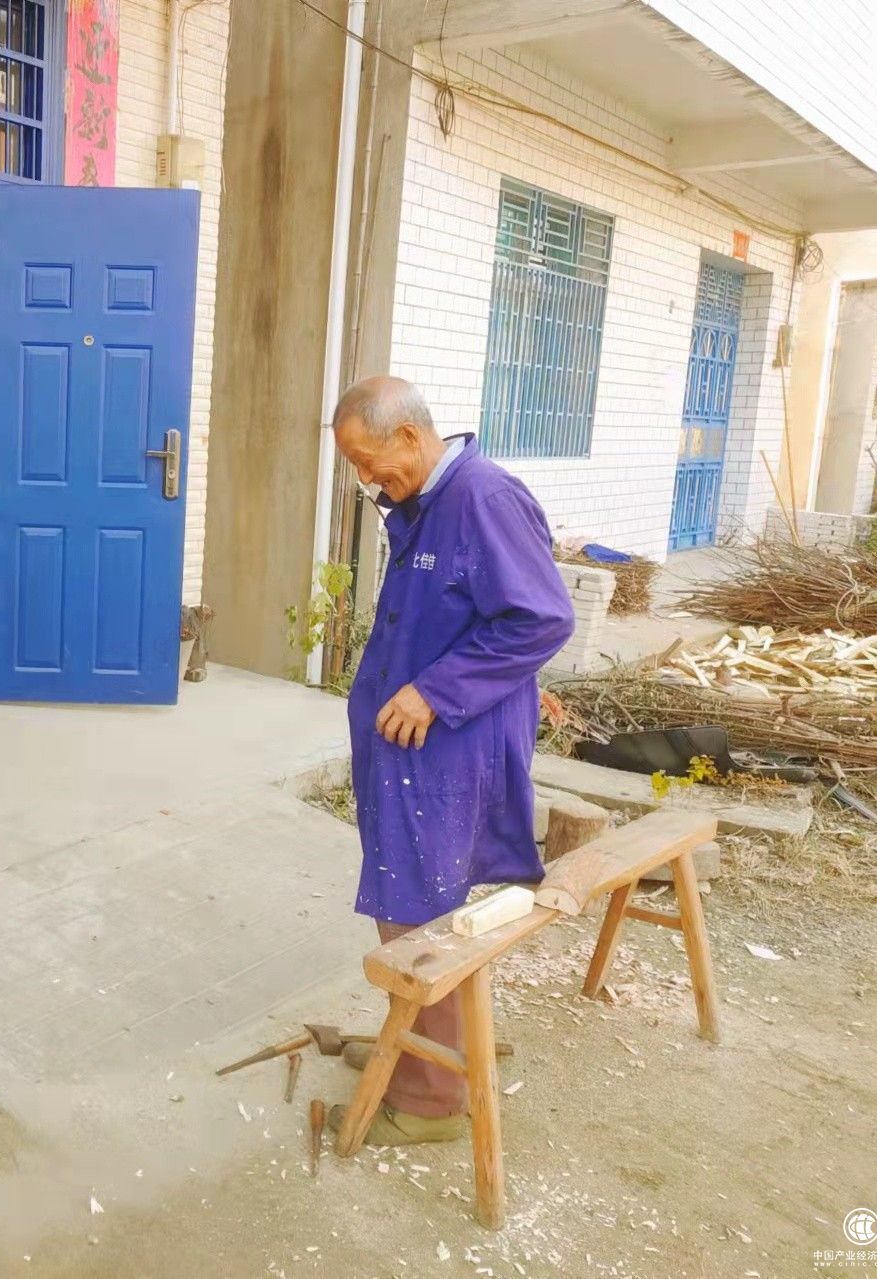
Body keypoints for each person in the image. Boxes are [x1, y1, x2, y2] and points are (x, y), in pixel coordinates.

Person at [331, 376, 574, 1145]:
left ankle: (431, 1097)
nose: (364, 477)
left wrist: (434, 691)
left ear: (410, 435)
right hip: (413, 750)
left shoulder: (483, 498)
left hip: (445, 749)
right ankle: (419, 1044)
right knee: (415, 900)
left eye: (367, 459)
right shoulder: (428, 499)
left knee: (421, 908)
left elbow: (542, 618)